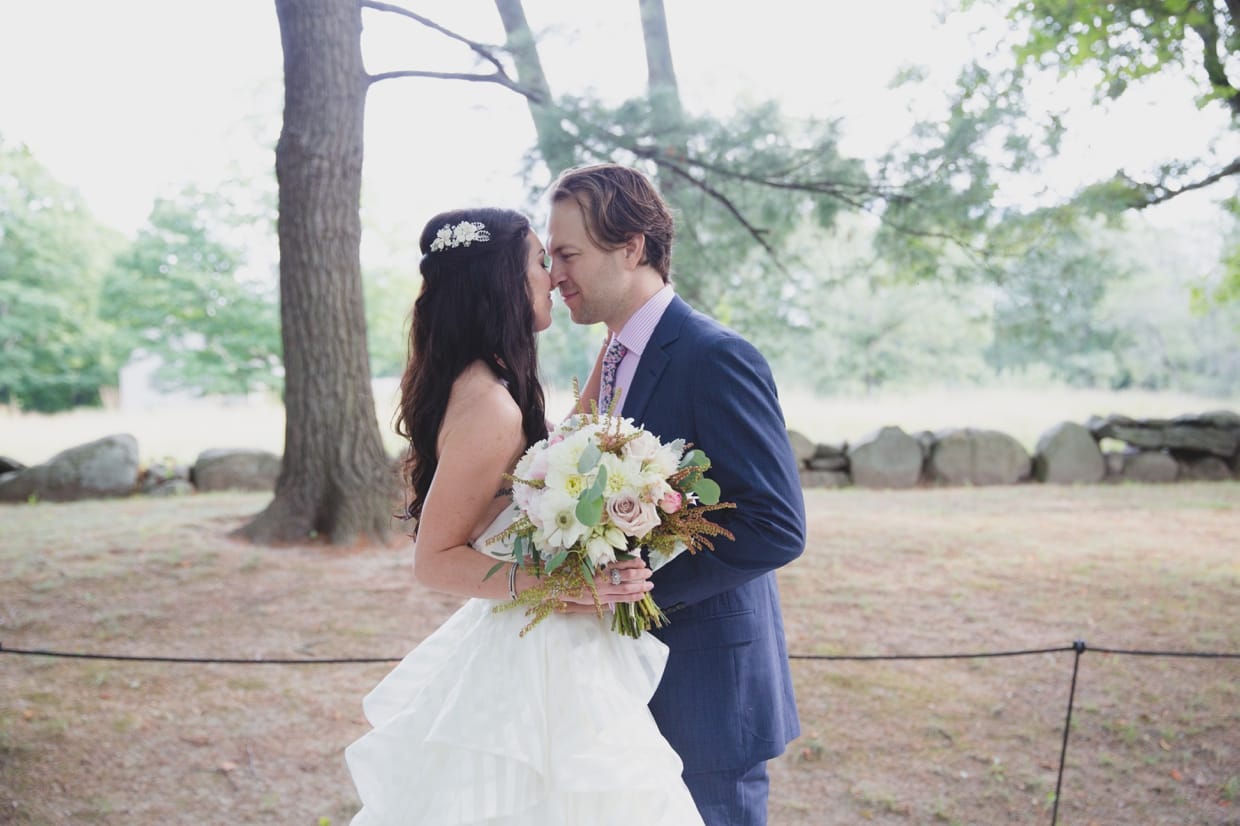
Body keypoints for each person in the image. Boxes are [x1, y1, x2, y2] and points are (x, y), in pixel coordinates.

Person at [344, 207, 704, 825]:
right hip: (535, 662)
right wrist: (565, 584)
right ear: (500, 284)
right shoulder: (489, 403)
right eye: (540, 261)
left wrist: (618, 345)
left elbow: (533, 472)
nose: (553, 276)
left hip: (544, 647)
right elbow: (434, 560)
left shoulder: (491, 384)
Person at [547, 164, 807, 826]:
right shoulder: (609, 361)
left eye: (568, 254)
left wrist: (639, 596)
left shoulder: (714, 355)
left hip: (704, 689)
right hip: (621, 688)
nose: (554, 275)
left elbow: (776, 526)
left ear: (630, 247)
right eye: (551, 257)